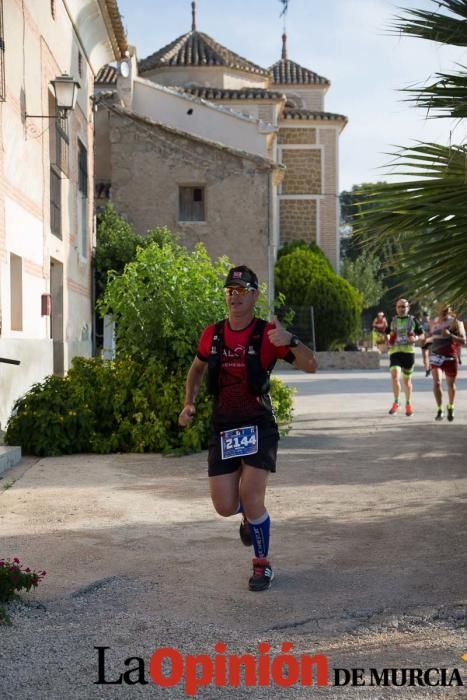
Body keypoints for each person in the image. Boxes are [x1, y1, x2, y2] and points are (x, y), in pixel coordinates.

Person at [178, 265, 317, 592]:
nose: (234, 297)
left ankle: (262, 564)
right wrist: (189, 402)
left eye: (241, 291)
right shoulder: (212, 334)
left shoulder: (268, 335)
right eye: (230, 291)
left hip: (258, 425)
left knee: (252, 495)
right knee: (225, 505)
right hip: (224, 427)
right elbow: (196, 369)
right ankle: (246, 515)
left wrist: (292, 339)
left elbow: (311, 365)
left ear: (254, 294)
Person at [386, 298, 424, 416]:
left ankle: (408, 404)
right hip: (395, 352)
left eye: (404, 306)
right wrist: (388, 340)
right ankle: (396, 402)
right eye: (399, 306)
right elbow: (387, 333)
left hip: (408, 353)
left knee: (407, 382)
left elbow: (422, 334)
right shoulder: (392, 321)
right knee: (394, 376)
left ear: (408, 308)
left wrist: (416, 338)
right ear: (396, 308)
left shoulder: (413, 320)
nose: (401, 309)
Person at [429, 304, 466, 421]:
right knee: (437, 382)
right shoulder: (433, 322)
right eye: (440, 310)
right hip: (436, 357)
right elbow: (430, 338)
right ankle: (440, 409)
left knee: (450, 385)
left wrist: (451, 336)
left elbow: (464, 341)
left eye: (445, 310)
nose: (442, 312)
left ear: (450, 310)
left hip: (450, 357)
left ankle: (450, 406)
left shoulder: (456, 323)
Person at [419, 310, 432, 376]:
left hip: (429, 341)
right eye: (425, 316)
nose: (426, 318)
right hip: (423, 341)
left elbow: (433, 331)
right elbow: (419, 332)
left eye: (427, 316)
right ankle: (427, 369)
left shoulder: (431, 323)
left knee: (429, 355)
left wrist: (428, 334)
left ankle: (429, 367)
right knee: (424, 356)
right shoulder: (420, 323)